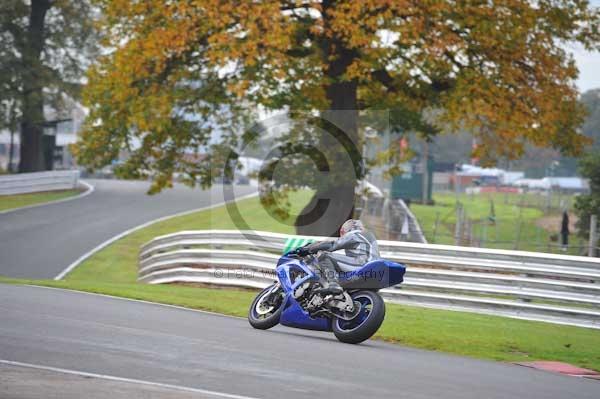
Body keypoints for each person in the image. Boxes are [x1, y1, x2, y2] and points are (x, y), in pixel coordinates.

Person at [294, 219, 380, 294]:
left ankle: (333, 284)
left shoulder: (354, 234)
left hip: (363, 265)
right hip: (375, 272)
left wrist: (309, 249)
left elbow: (332, 245)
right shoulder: (369, 236)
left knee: (323, 255)